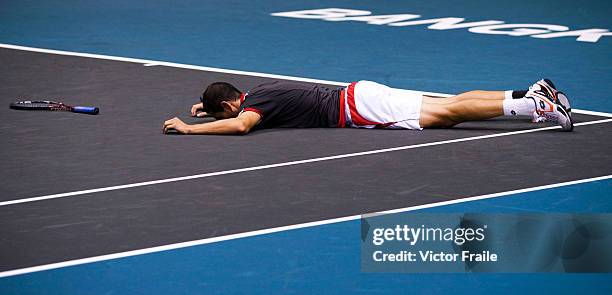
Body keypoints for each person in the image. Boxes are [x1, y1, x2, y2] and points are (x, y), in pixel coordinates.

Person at [162, 79, 572, 135]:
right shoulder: (256, 95)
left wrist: (188, 126)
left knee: (448, 114)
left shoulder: (251, 108)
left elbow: (240, 127)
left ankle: (533, 106)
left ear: (233, 103)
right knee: (451, 103)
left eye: (221, 110)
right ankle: (527, 95)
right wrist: (206, 107)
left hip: (360, 109)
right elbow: (232, 111)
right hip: (361, 94)